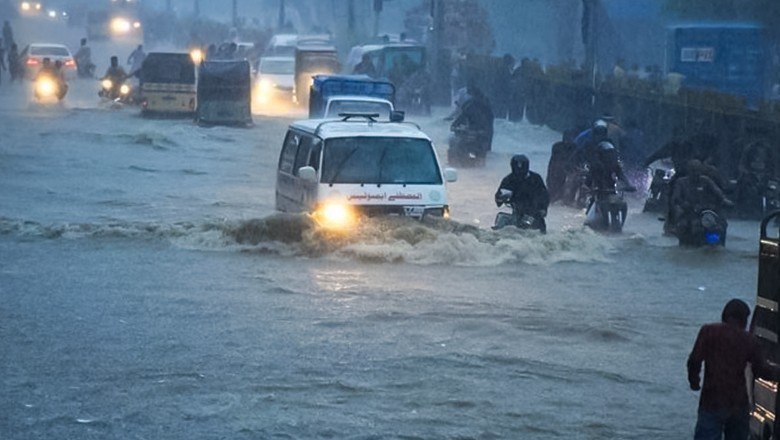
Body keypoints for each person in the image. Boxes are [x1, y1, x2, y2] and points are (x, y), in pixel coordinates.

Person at [687, 298, 779, 440]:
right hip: (738, 403)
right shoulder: (749, 340)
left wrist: (694, 382)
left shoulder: (708, 331)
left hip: (711, 400)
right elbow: (761, 370)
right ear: (743, 319)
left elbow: (694, 360)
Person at [671, 159, 732, 242]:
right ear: (688, 171)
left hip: (706, 210)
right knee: (683, 225)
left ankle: (719, 244)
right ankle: (685, 244)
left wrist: (724, 200)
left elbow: (717, 191)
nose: (696, 173)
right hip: (689, 212)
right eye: (693, 170)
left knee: (722, 224)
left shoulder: (705, 180)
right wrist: (683, 204)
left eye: (698, 170)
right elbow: (676, 197)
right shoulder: (681, 182)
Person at [494, 154, 550, 233]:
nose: (519, 175)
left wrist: (543, 209)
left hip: (534, 213)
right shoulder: (508, 180)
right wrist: (500, 198)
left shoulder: (535, 179)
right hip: (517, 213)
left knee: (533, 231)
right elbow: (499, 199)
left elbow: (545, 196)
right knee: (502, 221)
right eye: (517, 171)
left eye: (522, 171)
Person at [451, 82, 494, 155]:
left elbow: (462, 118)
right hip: (484, 132)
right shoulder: (478, 102)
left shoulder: (471, 105)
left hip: (482, 133)